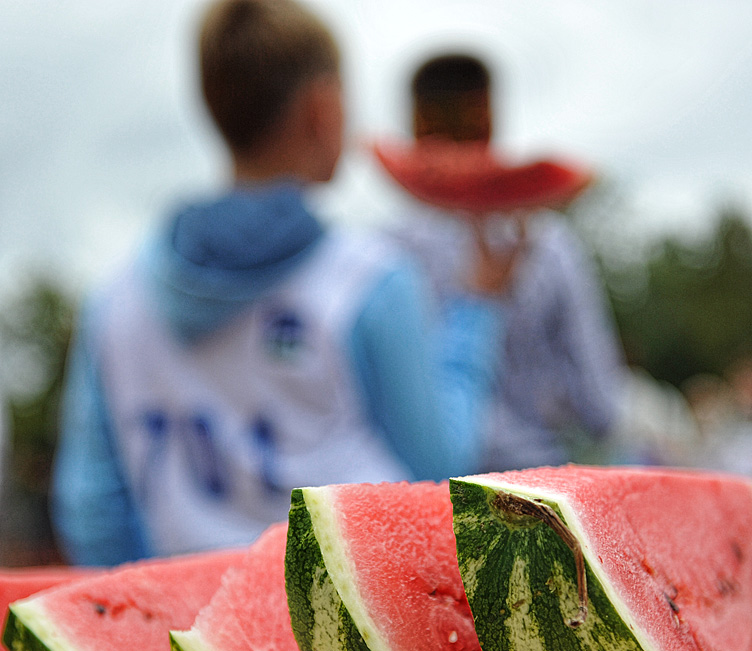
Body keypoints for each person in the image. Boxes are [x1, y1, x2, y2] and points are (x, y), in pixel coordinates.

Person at [51, 1, 511, 566]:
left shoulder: (114, 300)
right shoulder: (370, 279)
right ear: (322, 109)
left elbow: (92, 508)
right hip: (351, 642)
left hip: (191, 630)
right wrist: (477, 310)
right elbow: (442, 464)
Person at [383, 52, 628, 470]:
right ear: (490, 119)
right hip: (540, 491)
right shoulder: (552, 246)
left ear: (416, 125)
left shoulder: (382, 256)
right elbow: (602, 409)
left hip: (426, 496)